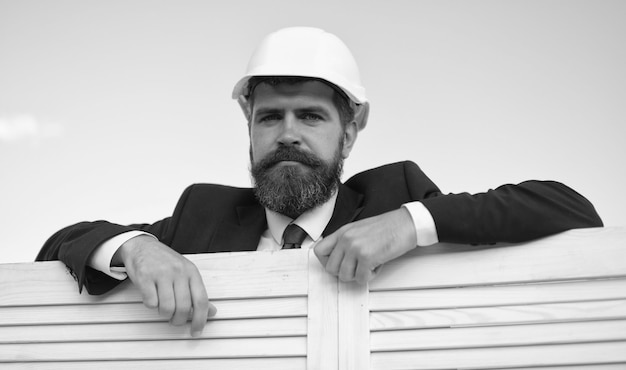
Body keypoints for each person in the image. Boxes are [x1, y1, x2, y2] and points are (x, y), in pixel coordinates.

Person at [36, 27, 603, 337]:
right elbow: (59, 244)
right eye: (269, 118)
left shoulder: (394, 194)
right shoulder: (201, 216)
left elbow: (569, 207)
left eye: (310, 117)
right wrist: (136, 248)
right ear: (249, 131)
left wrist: (410, 223)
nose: (288, 135)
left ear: (349, 135)